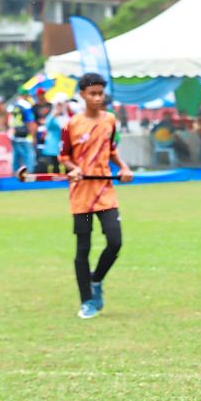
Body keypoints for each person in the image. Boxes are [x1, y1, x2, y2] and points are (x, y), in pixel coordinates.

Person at [57, 73, 133, 320]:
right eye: (93, 93)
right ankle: (87, 301)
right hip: (81, 196)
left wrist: (123, 167)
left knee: (115, 241)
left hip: (104, 192)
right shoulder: (71, 125)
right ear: (82, 95)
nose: (98, 98)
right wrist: (73, 168)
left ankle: (96, 280)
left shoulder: (110, 120)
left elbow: (111, 149)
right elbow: (64, 157)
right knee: (83, 248)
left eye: (100, 93)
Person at [38, 97, 68, 173]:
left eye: (61, 105)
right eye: (58, 105)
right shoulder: (51, 116)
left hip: (62, 142)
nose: (59, 107)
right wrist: (53, 116)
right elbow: (47, 126)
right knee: (54, 162)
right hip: (53, 143)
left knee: (63, 161)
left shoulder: (65, 116)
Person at [9, 90, 37, 172]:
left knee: (16, 157)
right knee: (29, 156)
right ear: (26, 95)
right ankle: (29, 175)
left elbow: (10, 121)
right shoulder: (26, 105)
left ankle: (15, 177)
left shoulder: (14, 105)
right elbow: (30, 122)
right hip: (25, 136)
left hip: (15, 135)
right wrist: (33, 136)